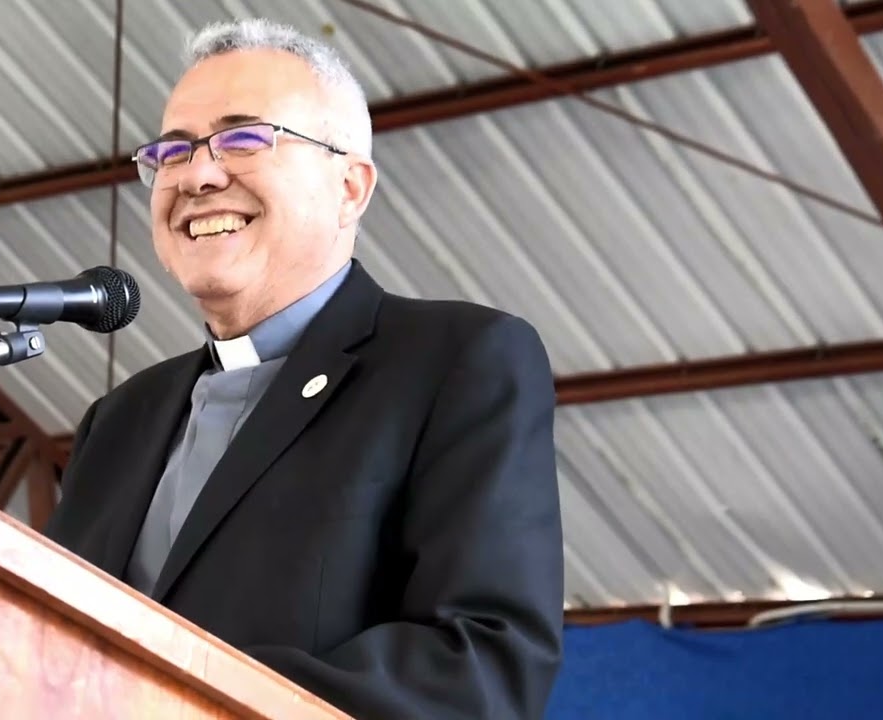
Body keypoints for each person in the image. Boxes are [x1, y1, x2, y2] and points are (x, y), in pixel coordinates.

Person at [44, 17, 564, 719]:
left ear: (350, 187)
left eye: (243, 139)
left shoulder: (455, 362)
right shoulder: (117, 421)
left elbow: (478, 666)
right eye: (172, 151)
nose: (197, 175)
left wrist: (170, 703)